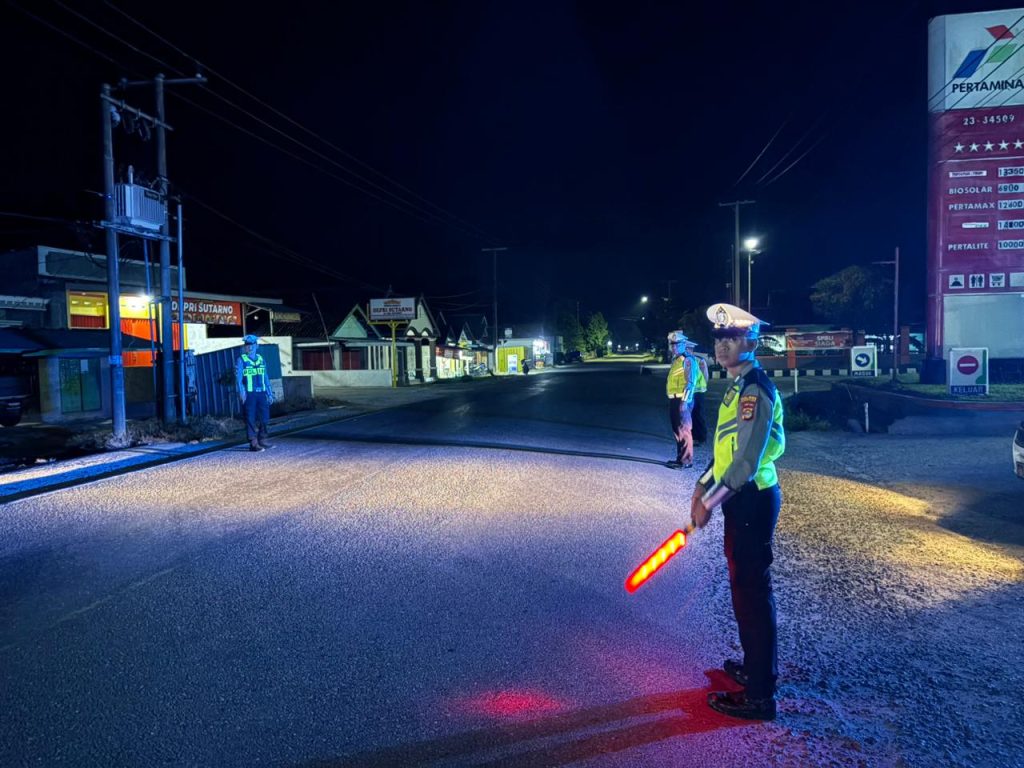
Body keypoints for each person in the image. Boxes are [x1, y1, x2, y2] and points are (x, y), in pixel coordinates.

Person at [690, 302, 785, 721]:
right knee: (743, 591)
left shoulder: (756, 389)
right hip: (737, 499)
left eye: (732, 339)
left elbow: (746, 460)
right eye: (719, 339)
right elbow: (725, 450)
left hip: (752, 499)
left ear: (751, 341)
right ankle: (755, 669)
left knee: (751, 594)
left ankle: (760, 697)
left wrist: (709, 503)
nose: (723, 346)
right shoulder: (735, 386)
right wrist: (700, 486)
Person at [235, 334, 275, 452]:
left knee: (265, 418)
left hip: (262, 393)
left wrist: (269, 392)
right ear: (244, 347)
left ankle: (262, 439)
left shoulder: (261, 359)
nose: (250, 347)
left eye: (252, 345)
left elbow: (265, 376)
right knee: (250, 418)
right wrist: (241, 392)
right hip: (250, 394)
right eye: (247, 345)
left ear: (257, 346)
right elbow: (238, 379)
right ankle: (253, 443)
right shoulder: (241, 360)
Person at [665, 331, 696, 469]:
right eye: (672, 345)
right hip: (674, 400)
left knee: (684, 430)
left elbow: (691, 382)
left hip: (682, 400)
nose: (674, 347)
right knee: (677, 430)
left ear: (684, 345)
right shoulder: (676, 360)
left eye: (677, 344)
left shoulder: (687, 359)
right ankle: (680, 458)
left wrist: (684, 401)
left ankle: (686, 461)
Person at [689, 341, 710, 445]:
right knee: (690, 414)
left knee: (698, 414)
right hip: (690, 391)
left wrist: (703, 386)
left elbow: (705, 375)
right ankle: (692, 436)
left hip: (698, 391)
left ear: (691, 350)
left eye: (688, 349)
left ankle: (701, 437)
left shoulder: (699, 360)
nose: (686, 351)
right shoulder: (685, 360)